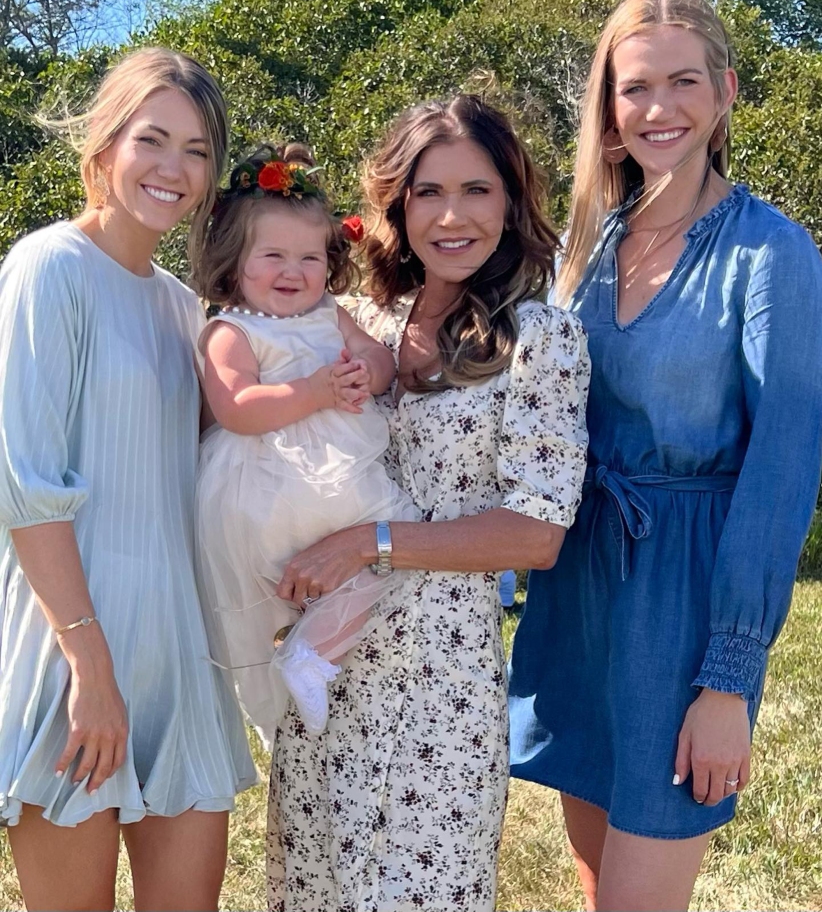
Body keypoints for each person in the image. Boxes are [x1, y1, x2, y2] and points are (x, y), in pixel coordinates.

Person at [508, 0, 822, 912]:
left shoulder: (772, 252)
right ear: (609, 106)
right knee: (600, 884)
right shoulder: (584, 244)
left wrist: (728, 677)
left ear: (724, 92)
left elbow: (783, 466)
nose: (660, 108)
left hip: (680, 601)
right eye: (635, 86)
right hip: (578, 592)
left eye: (684, 82)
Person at [264, 94, 591, 912]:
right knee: (312, 891)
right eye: (428, 192)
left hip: (437, 687)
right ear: (397, 203)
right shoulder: (366, 319)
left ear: (512, 200)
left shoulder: (541, 338)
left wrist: (367, 541)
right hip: (327, 676)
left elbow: (538, 531)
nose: (453, 215)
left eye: (477, 190)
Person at [0, 48, 256, 912]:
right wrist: (90, 666)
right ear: (105, 146)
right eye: (152, 139)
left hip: (177, 653)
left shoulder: (185, 309)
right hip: (74, 649)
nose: (173, 168)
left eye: (195, 150)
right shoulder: (48, 269)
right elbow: (25, 488)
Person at [191, 144, 420, 741]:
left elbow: (380, 359)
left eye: (309, 257)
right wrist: (316, 391)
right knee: (390, 530)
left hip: (326, 483)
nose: (293, 271)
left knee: (386, 553)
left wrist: (367, 373)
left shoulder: (329, 313)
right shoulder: (231, 329)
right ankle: (285, 679)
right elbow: (235, 407)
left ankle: (306, 661)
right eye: (272, 255)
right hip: (272, 484)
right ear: (235, 261)